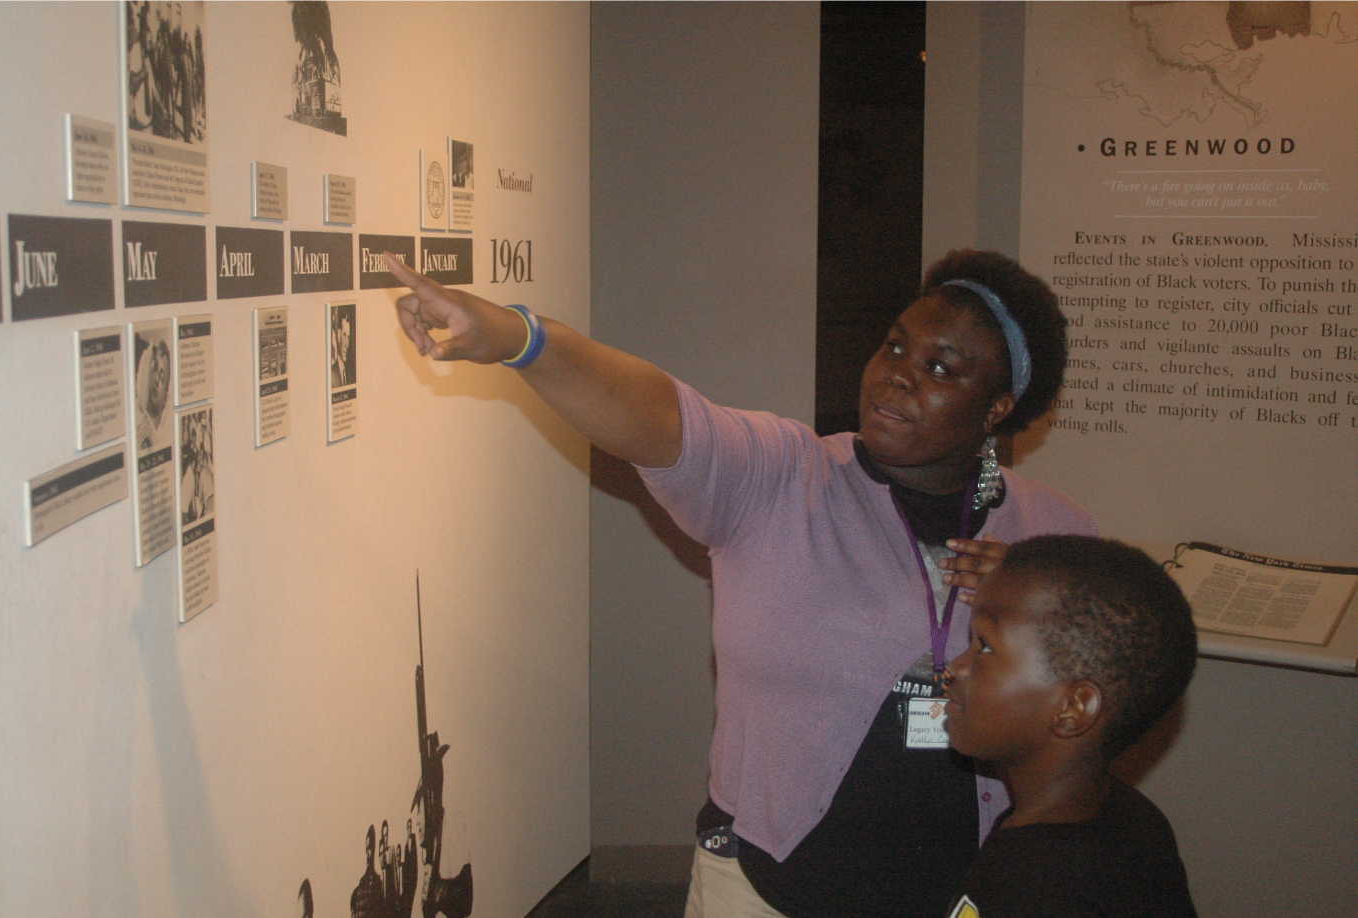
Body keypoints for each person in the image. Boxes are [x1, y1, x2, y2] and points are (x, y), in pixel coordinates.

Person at [384, 248, 1096, 916]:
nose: (898, 374)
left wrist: (1037, 603)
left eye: (943, 369)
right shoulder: (784, 477)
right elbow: (659, 415)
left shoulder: (1051, 534)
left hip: (967, 890)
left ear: (998, 409)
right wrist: (519, 339)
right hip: (763, 882)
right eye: (896, 345)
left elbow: (1103, 701)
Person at [941, 535, 1198, 917]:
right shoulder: (1134, 820)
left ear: (1073, 708)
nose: (956, 668)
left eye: (986, 646)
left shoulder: (1032, 888)